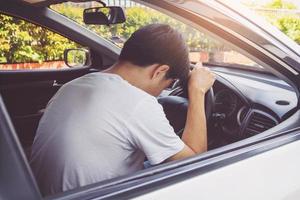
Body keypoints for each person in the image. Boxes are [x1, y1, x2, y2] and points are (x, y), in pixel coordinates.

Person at [30, 24, 215, 196]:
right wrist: (197, 91)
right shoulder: (137, 103)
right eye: (169, 83)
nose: (162, 92)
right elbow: (194, 164)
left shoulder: (72, 86)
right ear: (159, 71)